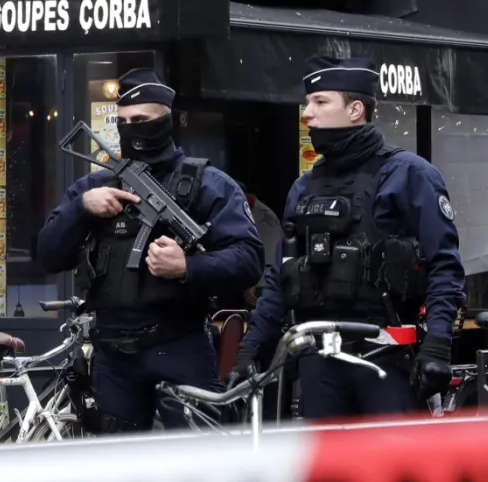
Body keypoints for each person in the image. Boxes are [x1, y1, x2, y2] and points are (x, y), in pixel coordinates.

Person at [231, 55, 465, 420]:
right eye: (308, 103)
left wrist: (437, 346)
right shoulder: (304, 186)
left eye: (320, 102)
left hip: (385, 359)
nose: (308, 113)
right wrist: (250, 349)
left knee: (390, 472)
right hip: (319, 363)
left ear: (356, 109)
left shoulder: (409, 175)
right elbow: (279, 277)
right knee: (327, 474)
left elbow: (445, 267)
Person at [36, 68, 264, 432]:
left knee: (199, 464)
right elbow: (48, 255)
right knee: (118, 473)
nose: (131, 129)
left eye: (141, 120)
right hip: (113, 355)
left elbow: (250, 260)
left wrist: (188, 267)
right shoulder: (95, 186)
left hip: (179, 345)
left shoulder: (208, 185)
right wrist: (81, 210)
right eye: (123, 121)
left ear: (166, 120)